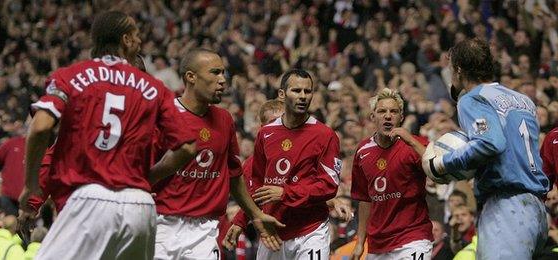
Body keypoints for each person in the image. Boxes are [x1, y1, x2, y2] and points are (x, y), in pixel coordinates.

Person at [18, 11, 197, 260]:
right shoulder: (155, 88)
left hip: (90, 200)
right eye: (136, 35)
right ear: (125, 40)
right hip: (141, 208)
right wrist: (147, 178)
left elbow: (39, 127)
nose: (140, 41)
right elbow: (188, 147)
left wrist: (30, 185)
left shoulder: (71, 76)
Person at [422, 38, 550, 259]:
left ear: (459, 70)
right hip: (537, 209)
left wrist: (444, 162)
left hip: (506, 208)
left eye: (451, 69)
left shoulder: (472, 98)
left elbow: (489, 142)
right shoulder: (523, 100)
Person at [152, 48, 284, 259]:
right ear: (191, 77)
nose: (223, 80)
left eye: (223, 73)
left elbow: (234, 176)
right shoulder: (164, 117)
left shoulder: (224, 119)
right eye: (215, 72)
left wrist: (256, 215)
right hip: (162, 224)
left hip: (205, 230)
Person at [224, 68, 341, 259]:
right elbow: (258, 186)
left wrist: (286, 193)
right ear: (282, 94)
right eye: (296, 90)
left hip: (310, 231)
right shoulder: (266, 134)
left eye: (307, 91)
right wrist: (240, 221)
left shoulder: (325, 135)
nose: (302, 96)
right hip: (273, 230)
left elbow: (329, 186)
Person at [350, 88, 433, 259]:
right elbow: (365, 199)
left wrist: (410, 140)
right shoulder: (362, 151)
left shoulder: (416, 145)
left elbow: (438, 170)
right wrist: (360, 242)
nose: (388, 116)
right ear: (373, 117)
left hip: (413, 238)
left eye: (393, 111)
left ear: (401, 117)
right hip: (377, 244)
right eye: (382, 111)